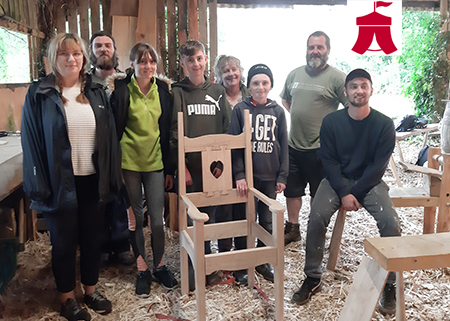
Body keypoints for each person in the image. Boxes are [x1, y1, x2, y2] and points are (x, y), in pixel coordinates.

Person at [21, 33, 121, 321]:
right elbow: (32, 143)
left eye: (76, 53)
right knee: (63, 243)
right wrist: (38, 184)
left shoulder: (95, 92)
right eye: (64, 54)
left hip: (92, 179)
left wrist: (112, 178)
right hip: (58, 181)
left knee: (92, 240)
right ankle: (67, 298)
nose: (71, 59)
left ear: (83, 58)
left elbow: (110, 138)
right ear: (54, 59)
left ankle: (90, 290)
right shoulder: (39, 94)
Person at [291, 69, 401, 315]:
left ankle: (390, 283)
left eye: (363, 86)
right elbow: (328, 161)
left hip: (369, 182)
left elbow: (378, 166)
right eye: (353, 86)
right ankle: (312, 276)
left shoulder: (384, 124)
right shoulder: (331, 122)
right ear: (345, 92)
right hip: (336, 180)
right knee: (316, 216)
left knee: (390, 221)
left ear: (371, 90)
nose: (358, 91)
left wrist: (356, 192)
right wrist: (343, 192)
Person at [108, 42, 178, 297]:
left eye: (151, 62)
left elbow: (166, 131)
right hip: (129, 163)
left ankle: (159, 266)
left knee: (156, 220)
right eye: (142, 62)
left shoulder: (163, 92)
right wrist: (115, 167)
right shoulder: (122, 92)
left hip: (155, 163)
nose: (147, 66)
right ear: (132, 65)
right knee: (136, 219)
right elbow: (114, 131)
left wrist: (170, 168)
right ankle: (141, 269)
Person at [170, 40, 231, 291]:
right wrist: (180, 166)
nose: (195, 64)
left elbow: (225, 128)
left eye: (199, 58)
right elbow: (174, 131)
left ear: (206, 60)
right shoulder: (178, 92)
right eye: (190, 60)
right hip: (190, 170)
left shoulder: (217, 92)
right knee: (192, 219)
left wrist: (220, 163)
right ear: (183, 64)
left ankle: (207, 267)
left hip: (213, 167)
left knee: (210, 216)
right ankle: (194, 269)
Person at [280, 31, 348, 246]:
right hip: (293, 145)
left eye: (320, 47)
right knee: (292, 190)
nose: (315, 51)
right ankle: (292, 228)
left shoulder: (337, 78)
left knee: (318, 192)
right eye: (311, 47)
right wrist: (301, 116)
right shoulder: (294, 74)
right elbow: (286, 100)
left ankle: (315, 228)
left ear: (328, 50)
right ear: (306, 49)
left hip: (321, 148)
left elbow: (349, 108)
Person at [229, 64, 288, 285]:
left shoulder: (277, 111)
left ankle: (262, 261)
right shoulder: (240, 110)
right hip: (247, 179)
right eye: (255, 83)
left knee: (266, 221)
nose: (260, 87)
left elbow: (283, 143)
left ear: (271, 85)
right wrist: (239, 174)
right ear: (249, 85)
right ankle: (242, 264)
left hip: (269, 176)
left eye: (264, 82)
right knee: (244, 219)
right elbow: (234, 146)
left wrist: (282, 176)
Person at [89, 31, 134, 266]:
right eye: (98, 46)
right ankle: (101, 246)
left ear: (115, 50)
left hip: (122, 147)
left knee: (120, 198)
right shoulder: (84, 83)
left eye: (108, 45)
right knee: (98, 199)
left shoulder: (124, 82)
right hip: (94, 149)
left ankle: (121, 244)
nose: (103, 49)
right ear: (91, 51)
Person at [213, 55, 250, 254]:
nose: (231, 74)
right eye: (226, 71)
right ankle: (225, 252)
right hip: (221, 158)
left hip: (246, 158)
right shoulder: (216, 95)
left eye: (234, 69)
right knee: (224, 206)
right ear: (219, 75)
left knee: (243, 206)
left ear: (240, 71)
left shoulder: (249, 93)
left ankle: (243, 252)